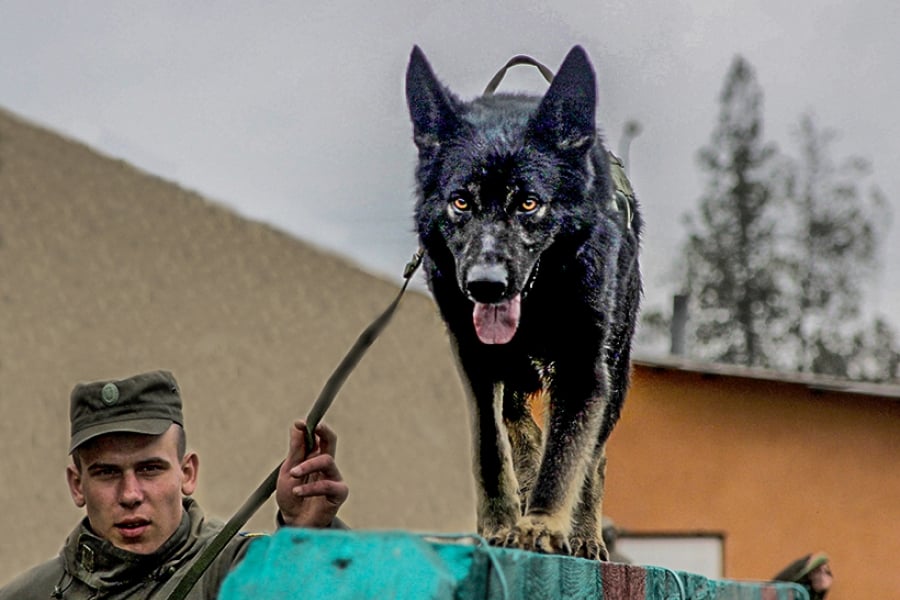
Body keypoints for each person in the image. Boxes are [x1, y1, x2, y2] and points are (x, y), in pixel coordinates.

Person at [0, 370, 349, 599]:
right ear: (77, 485)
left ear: (188, 473)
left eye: (150, 469)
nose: (130, 495)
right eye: (107, 473)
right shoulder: (29, 594)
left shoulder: (232, 572)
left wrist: (308, 534)